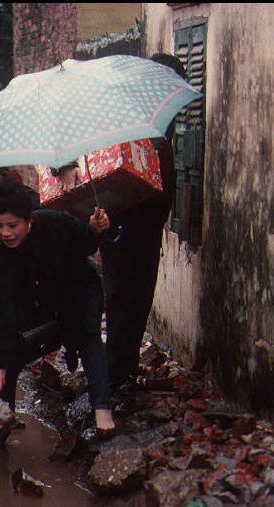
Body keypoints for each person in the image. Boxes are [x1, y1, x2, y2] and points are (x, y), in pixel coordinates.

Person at [0, 175, 116, 448]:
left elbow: (85, 242)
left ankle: (102, 407)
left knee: (88, 337)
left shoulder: (55, 223)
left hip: (75, 293)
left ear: (29, 219)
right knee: (9, 353)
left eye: (13, 225)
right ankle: (0, 422)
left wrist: (95, 228)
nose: (6, 233)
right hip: (35, 309)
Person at [99, 53, 185, 392]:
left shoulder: (158, 129)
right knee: (123, 299)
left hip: (145, 232)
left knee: (136, 302)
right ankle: (115, 375)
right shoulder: (129, 128)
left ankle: (123, 369)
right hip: (124, 231)